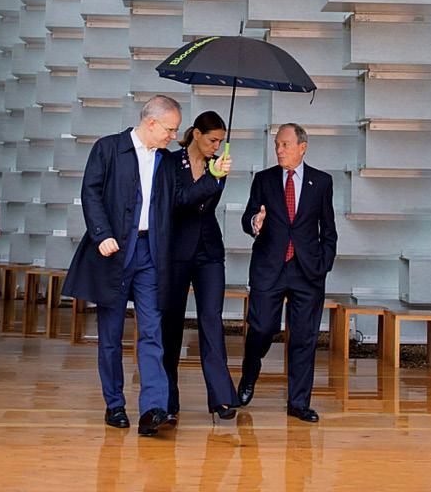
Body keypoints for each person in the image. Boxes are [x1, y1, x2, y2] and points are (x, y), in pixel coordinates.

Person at [62, 95, 231, 437]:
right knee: (111, 333)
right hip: (113, 251)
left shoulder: (166, 161)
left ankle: (154, 408)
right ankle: (114, 404)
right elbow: (91, 193)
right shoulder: (108, 148)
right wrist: (102, 234)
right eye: (170, 129)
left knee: (153, 330)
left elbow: (181, 200)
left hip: (151, 253)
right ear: (151, 123)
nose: (174, 136)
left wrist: (212, 179)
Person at [237, 123, 337, 423]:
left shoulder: (322, 182)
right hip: (270, 267)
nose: (279, 150)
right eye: (277, 145)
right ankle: (250, 371)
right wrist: (255, 222)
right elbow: (248, 217)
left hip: (307, 271)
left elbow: (328, 229)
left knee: (304, 337)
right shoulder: (264, 179)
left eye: (285, 145)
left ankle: (299, 403)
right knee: (262, 327)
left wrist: (323, 264)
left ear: (302, 147)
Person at [161, 111, 239, 422]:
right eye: (212, 140)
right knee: (171, 323)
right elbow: (179, 202)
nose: (216, 146)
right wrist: (211, 178)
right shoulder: (168, 163)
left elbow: (204, 205)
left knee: (211, 319)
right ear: (196, 134)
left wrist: (215, 175)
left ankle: (221, 397)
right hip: (175, 250)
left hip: (209, 251)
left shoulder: (218, 166)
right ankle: (167, 397)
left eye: (221, 141)